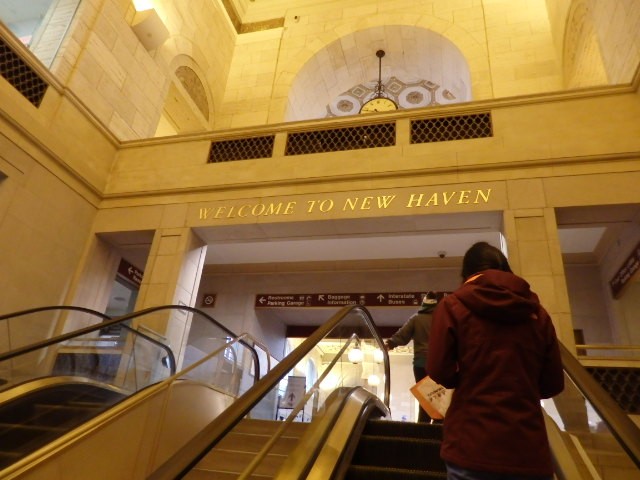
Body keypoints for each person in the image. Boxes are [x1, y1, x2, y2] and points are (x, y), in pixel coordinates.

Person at [428, 242, 564, 480]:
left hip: (470, 442)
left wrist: (464, 379)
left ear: (467, 273)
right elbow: (553, 384)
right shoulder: (538, 314)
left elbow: (439, 370)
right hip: (528, 449)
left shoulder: (452, 306)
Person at [385, 291, 438, 422]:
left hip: (420, 365)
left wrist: (390, 344)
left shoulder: (416, 318)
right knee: (438, 398)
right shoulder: (441, 320)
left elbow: (402, 336)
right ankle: (438, 427)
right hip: (437, 364)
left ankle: (422, 428)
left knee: (424, 400)